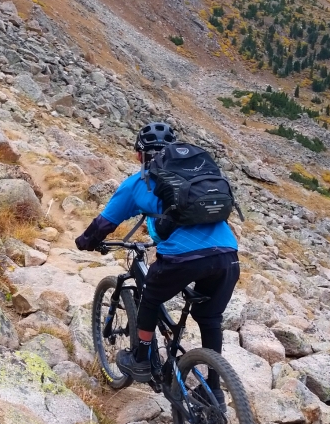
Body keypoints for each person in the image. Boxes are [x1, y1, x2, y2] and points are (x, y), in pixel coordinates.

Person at [75, 122, 240, 404]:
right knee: (210, 318)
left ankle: (140, 357)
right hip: (228, 254)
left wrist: (85, 242)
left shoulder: (138, 182)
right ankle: (214, 390)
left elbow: (104, 223)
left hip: (182, 257)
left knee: (150, 297)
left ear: (140, 155)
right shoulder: (198, 175)